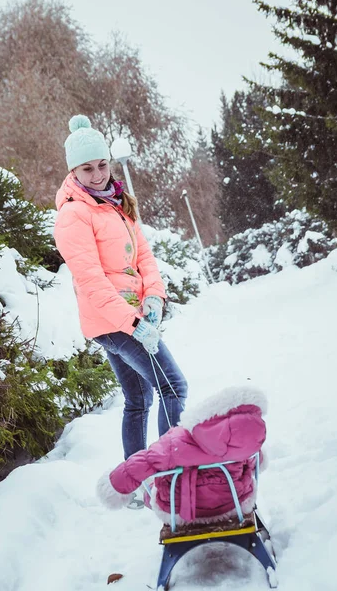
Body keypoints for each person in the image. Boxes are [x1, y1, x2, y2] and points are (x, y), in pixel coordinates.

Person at [53, 114, 188, 463]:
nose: (98, 175)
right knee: (174, 386)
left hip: (131, 316)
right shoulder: (73, 215)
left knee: (140, 399)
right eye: (87, 169)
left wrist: (155, 298)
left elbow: (144, 255)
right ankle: (170, 473)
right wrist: (135, 325)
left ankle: (135, 482)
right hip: (114, 322)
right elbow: (91, 282)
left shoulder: (115, 204)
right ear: (73, 173)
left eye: (102, 165)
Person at [96, 385, 268, 528]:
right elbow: (259, 462)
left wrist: (113, 488)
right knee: (241, 473)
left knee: (154, 484)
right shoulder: (246, 444)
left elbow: (141, 463)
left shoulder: (176, 441)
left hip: (179, 514)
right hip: (235, 505)